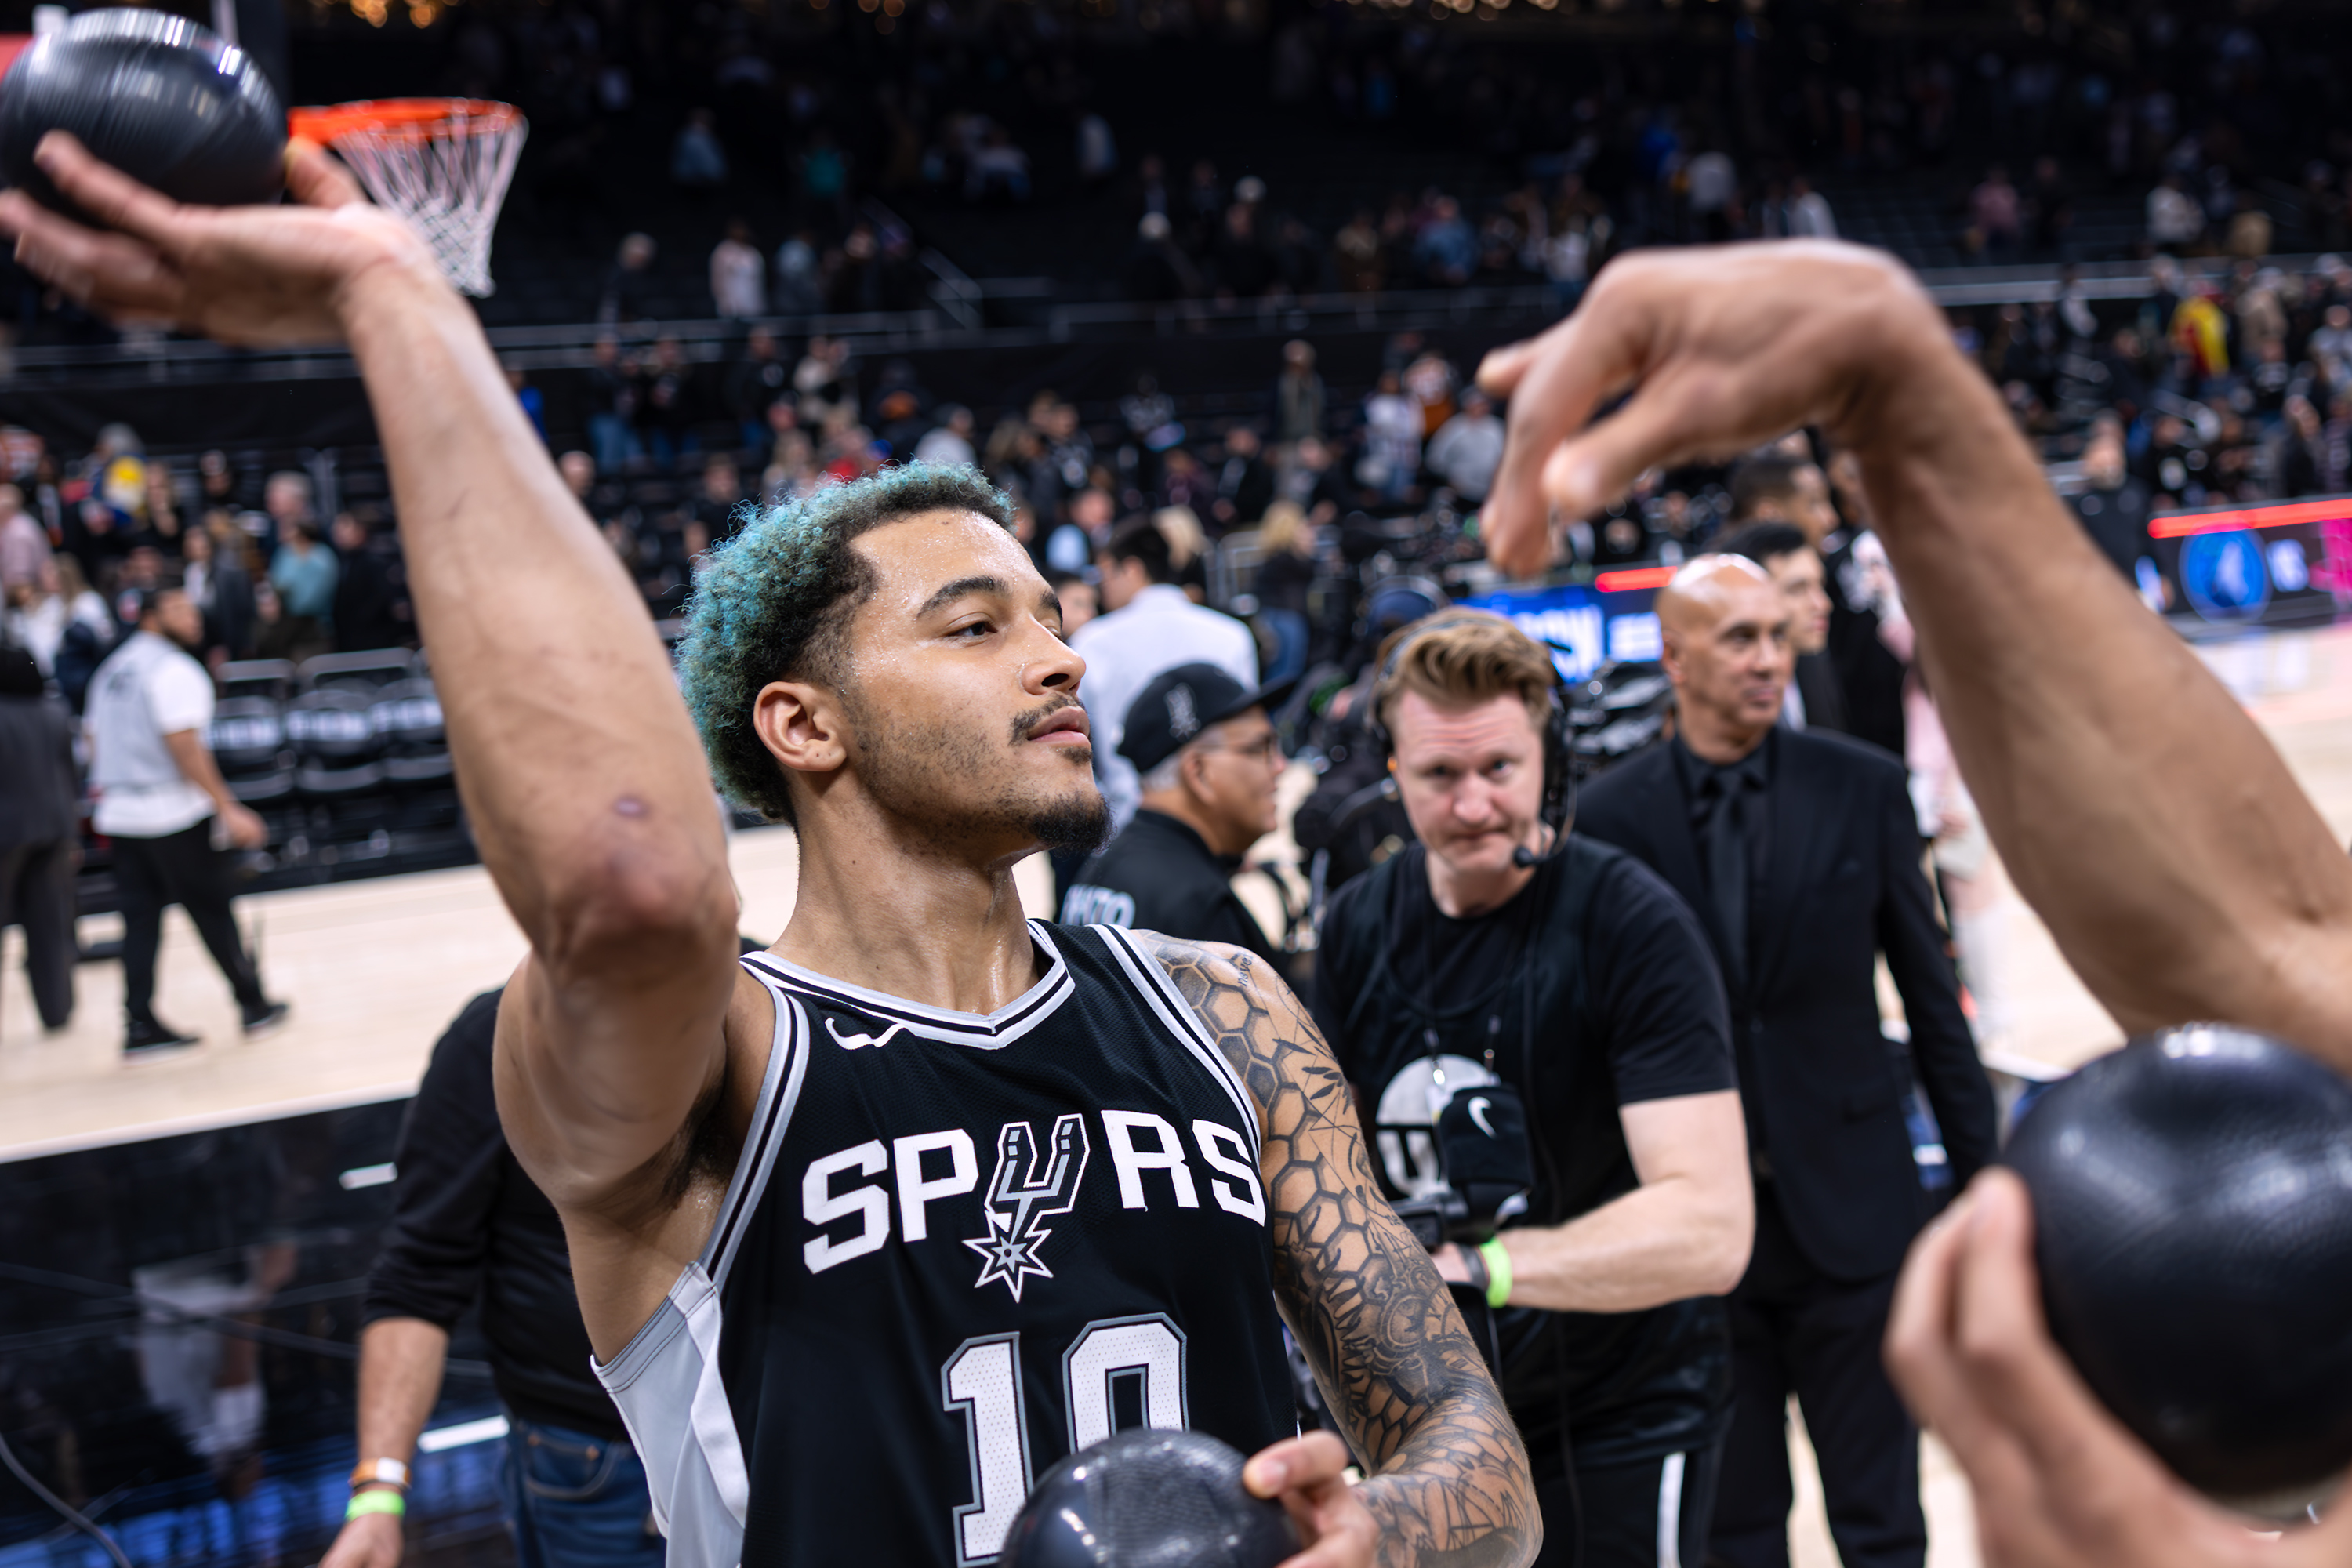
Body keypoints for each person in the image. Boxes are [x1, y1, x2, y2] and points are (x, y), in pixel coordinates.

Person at [0, 135, 1537, 1568]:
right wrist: (397, 302)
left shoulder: (1222, 1009)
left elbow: (1483, 1467)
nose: (1062, 658)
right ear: (804, 724)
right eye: (977, 626)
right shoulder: (719, 1059)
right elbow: (632, 885)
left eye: (1055, 618)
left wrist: (1382, 1531)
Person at [1574, 556, 1995, 1568]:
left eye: (1777, 635)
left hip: (1857, 1213)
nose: (1770, 658)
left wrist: (1988, 1192)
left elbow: (1933, 1007)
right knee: (1736, 1531)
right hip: (1699, 1237)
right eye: (1740, 638)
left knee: (1884, 1522)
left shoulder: (1864, 785)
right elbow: (1594, 1039)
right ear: (1675, 657)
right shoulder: (1610, 815)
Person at [1314, 610, 1753, 1568]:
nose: (1474, 804)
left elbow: (1711, 1227)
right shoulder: (1355, 925)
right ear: (1393, 770)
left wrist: (1486, 1269)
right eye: (1440, 773)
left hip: (1625, 1408)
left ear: (1550, 764)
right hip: (1440, 1423)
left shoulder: (1632, 923)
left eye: (1500, 768)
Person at [320, 989, 666, 1568]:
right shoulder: (502, 1036)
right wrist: (378, 1492)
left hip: (765, 1438)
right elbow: (420, 1272)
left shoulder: (770, 1006)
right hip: (593, 1456)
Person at [82, 583, 286, 1057]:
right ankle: (252, 1004)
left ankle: (139, 1023)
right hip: (171, 812)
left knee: (139, 921)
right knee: (213, 911)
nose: (192, 616)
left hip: (121, 813)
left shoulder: (112, 668)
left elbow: (92, 737)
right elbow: (184, 745)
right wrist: (227, 807)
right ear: (149, 616)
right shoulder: (173, 669)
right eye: (178, 608)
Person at [1058, 662, 1294, 982]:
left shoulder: (1103, 872)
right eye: (1260, 749)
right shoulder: (1199, 908)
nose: (1280, 766)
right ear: (1199, 773)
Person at [1072, 516, 1259, 831]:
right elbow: (1247, 733)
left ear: (1132, 569)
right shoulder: (1231, 635)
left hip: (1126, 821)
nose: (1103, 590)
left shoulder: (1092, 642)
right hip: (1218, 817)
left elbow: (1079, 746)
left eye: (1106, 577)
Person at [0, 644, 76, 1036]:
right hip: (55, 828)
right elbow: (71, 775)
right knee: (50, 927)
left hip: (7, 835)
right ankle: (57, 1012)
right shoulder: (55, 712)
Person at [1712, 522, 1844, 733]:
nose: (1822, 605)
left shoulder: (1812, 663)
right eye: (1797, 589)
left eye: (1820, 585)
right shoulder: (1724, 697)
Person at [1425, 387, 1507, 503]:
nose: (1479, 408)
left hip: (1490, 491)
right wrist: (1449, 479)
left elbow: (1507, 455)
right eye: (1475, 404)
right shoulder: (1454, 427)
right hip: (1461, 491)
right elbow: (1435, 457)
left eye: (1483, 404)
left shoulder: (1496, 427)